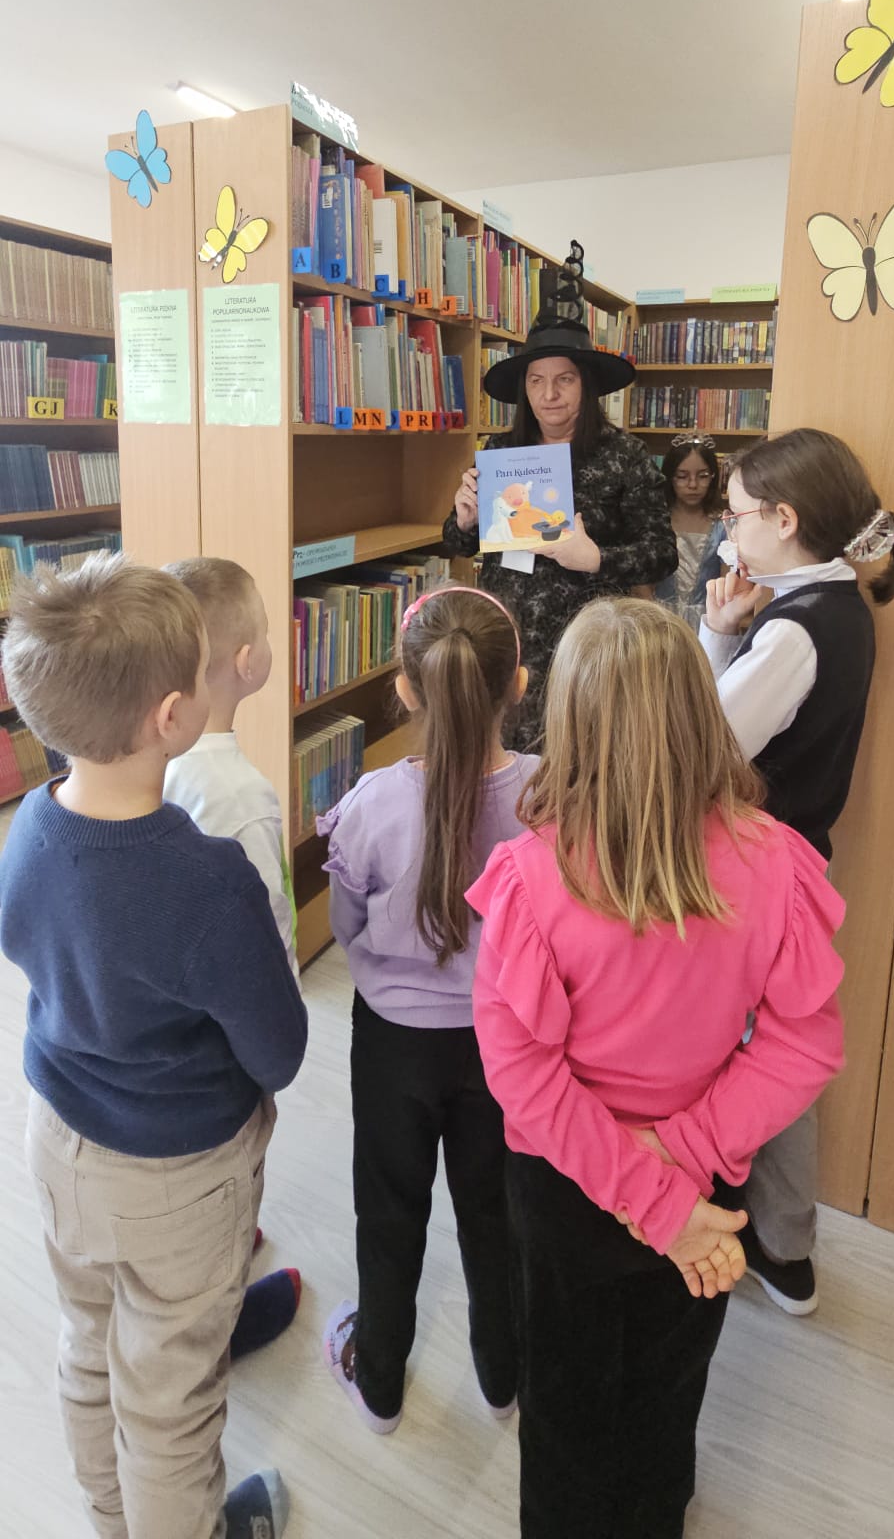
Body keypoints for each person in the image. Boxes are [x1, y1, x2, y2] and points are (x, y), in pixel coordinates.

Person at [467, 597, 846, 1539]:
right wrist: (682, 1170)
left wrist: (648, 1185)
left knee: (565, 1400)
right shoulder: (778, 862)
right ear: (700, 710)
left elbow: (524, 1079)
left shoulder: (530, 878)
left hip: (569, 1186)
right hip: (707, 1189)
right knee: (668, 1388)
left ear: (569, 722)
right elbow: (805, 1044)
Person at [0, 553, 307, 1539]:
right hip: (180, 1175)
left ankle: (111, 1519)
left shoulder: (27, 825)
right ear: (173, 716)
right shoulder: (208, 879)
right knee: (171, 1401)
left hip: (59, 1140)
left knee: (89, 1343)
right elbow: (279, 1051)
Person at [700, 426, 894, 1317]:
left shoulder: (794, 630)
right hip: (798, 863)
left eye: (735, 516)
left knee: (745, 1054)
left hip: (759, 872)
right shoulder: (836, 603)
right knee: (779, 1049)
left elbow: (700, 745)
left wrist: (715, 635)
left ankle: (751, 1232)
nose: (727, 534)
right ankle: (785, 1246)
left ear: (784, 519)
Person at [318, 584, 539, 1432]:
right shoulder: (549, 797)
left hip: (393, 1044)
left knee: (388, 1211)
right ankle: (502, 1381)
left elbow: (346, 926)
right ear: (518, 684)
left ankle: (379, 1385)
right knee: (497, 1216)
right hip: (506, 1046)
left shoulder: (372, 802)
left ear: (406, 690)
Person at [443, 245, 677, 751]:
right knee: (509, 761)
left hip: (588, 647)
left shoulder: (625, 455)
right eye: (537, 381)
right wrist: (464, 521)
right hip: (508, 638)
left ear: (585, 386)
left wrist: (597, 559)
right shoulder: (501, 450)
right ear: (524, 390)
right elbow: (461, 544)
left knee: (583, 758)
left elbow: (662, 553)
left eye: (564, 379)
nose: (550, 394)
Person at [164, 555, 302, 1364]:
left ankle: (223, 1239)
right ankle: (223, 1313)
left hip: (179, 1012)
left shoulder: (156, 754)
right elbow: (266, 925)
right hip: (234, 1034)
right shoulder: (241, 795)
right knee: (237, 1155)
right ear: (249, 662)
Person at [654, 433, 725, 627]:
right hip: (660, 620)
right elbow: (642, 582)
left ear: (713, 476)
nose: (693, 485)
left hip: (708, 621)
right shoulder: (656, 522)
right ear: (669, 477)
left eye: (702, 476)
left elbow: (727, 583)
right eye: (682, 477)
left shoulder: (723, 525)